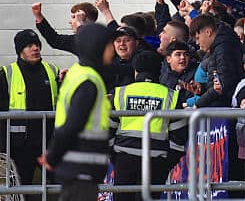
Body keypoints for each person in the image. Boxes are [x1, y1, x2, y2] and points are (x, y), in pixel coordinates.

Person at [39, 23, 113, 201]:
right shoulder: (89, 81)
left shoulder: (77, 73)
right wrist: (52, 156)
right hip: (82, 166)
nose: (113, 49)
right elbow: (73, 124)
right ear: (97, 47)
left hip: (76, 165)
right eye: (109, 44)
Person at [110, 51, 186, 201]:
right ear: (159, 71)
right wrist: (166, 163)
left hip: (124, 158)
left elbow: (107, 129)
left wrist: (115, 157)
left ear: (136, 71)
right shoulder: (171, 96)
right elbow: (179, 135)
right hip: (156, 160)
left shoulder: (120, 94)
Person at [0, 30, 59, 190]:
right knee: (21, 190)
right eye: (29, 46)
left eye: (37, 45)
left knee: (62, 184)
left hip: (49, 143)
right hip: (20, 146)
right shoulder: (6, 74)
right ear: (20, 51)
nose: (35, 48)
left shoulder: (53, 71)